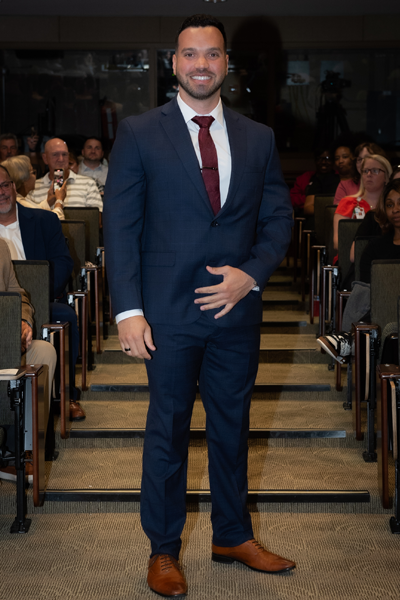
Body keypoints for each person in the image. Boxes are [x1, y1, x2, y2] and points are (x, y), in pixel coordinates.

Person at [103, 14, 295, 598]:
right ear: (174, 63)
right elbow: (122, 225)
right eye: (191, 55)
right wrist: (127, 311)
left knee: (232, 429)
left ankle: (232, 534)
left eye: (213, 54)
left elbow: (278, 218)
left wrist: (251, 275)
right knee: (167, 430)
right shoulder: (140, 132)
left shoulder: (258, 137)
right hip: (166, 314)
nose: (202, 65)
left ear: (226, 64)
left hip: (235, 313)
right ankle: (163, 549)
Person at [0, 164, 85, 421]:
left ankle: (67, 395)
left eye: (5, 185)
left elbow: (63, 263)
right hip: (4, 304)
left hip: (41, 298)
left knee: (65, 315)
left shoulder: (43, 220)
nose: (1, 192)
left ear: (14, 187)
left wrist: (37, 295)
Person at [318, 179, 400, 363]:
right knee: (369, 299)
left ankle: (349, 341)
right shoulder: (375, 248)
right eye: (389, 204)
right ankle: (351, 336)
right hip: (381, 311)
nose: (395, 209)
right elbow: (364, 293)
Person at [0, 238, 57, 483]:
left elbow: (18, 295)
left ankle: (27, 452)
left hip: (6, 341)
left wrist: (23, 321)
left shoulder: (1, 246)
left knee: (44, 352)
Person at [26, 138, 103, 218]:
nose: (61, 159)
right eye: (55, 154)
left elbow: (96, 222)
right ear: (45, 158)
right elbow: (29, 222)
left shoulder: (88, 184)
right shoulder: (33, 186)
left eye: (64, 154)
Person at [333, 154, 392, 251]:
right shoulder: (347, 203)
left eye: (375, 171)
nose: (369, 174)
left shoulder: (392, 207)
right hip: (349, 259)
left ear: (386, 176)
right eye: (365, 171)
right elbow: (338, 243)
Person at [1, 155, 66, 219]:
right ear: (24, 179)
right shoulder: (20, 203)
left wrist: (49, 201)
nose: (35, 177)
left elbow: (37, 211)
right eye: (33, 172)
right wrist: (59, 200)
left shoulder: (18, 199)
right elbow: (53, 221)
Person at [333, 141, 387, 205]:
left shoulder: (386, 183)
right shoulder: (344, 185)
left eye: (367, 158)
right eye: (359, 159)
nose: (363, 163)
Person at [290, 148, 333, 216]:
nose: (323, 162)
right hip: (306, 217)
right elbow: (292, 199)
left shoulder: (339, 178)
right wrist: (310, 200)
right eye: (319, 158)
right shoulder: (304, 178)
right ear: (315, 161)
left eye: (327, 158)